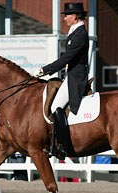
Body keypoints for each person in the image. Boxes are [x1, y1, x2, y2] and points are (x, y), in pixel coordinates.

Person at [34, 2, 89, 160]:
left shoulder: (80, 34)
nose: (64, 18)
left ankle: (62, 146)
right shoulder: (75, 31)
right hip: (70, 76)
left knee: (55, 106)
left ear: (75, 16)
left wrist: (45, 70)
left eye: (67, 15)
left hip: (76, 78)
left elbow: (66, 58)